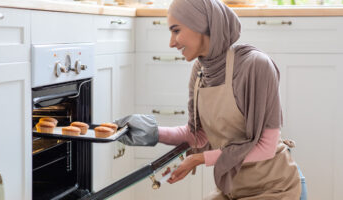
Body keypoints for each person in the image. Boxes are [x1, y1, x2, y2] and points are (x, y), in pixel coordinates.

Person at [115, 0, 307, 199]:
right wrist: (151, 132)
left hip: (276, 188)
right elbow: (198, 136)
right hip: (233, 189)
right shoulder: (200, 71)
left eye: (176, 30)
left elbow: (266, 148)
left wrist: (199, 159)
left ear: (201, 25)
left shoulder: (255, 65)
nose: (172, 42)